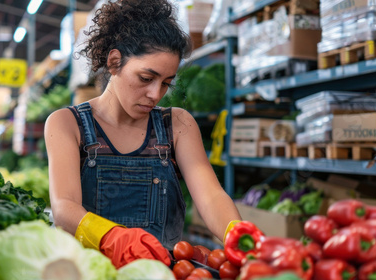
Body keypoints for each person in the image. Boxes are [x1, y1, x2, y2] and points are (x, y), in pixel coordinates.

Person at [45, 0, 242, 269]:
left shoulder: (177, 124)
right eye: (146, 78)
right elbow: (64, 207)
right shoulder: (67, 123)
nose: (155, 94)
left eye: (166, 83)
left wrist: (237, 235)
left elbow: (210, 196)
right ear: (114, 62)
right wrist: (111, 237)